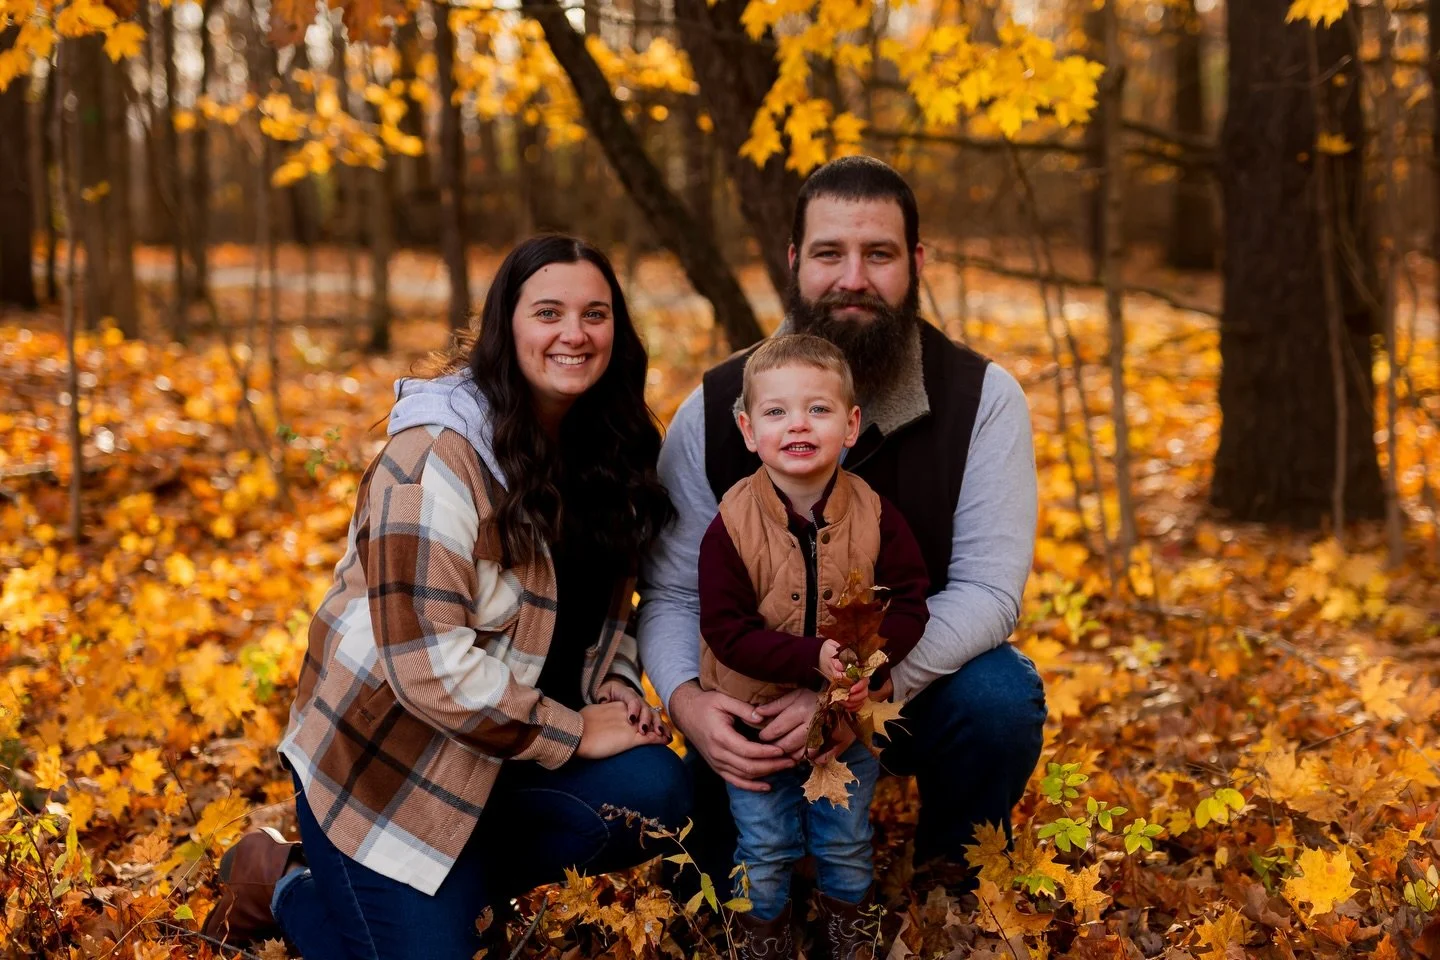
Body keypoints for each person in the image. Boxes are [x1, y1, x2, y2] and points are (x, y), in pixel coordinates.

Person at [205, 236, 691, 959]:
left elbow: (615, 604)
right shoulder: (434, 456)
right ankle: (282, 881)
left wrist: (615, 685)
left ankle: (453, 894)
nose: (574, 334)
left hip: (509, 756)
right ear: (507, 325)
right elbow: (427, 667)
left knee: (657, 791)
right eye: (549, 312)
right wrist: (578, 732)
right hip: (390, 776)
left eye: (595, 314)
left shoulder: (612, 444)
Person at [639, 156, 1046, 897]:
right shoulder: (716, 406)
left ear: (916, 263)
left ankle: (950, 872)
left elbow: (990, 592)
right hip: (754, 706)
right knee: (701, 884)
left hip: (908, 688)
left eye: (879, 254)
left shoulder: (983, 398)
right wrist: (689, 705)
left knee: (1000, 698)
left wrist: (843, 699)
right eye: (830, 253)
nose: (852, 277)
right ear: (794, 262)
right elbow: (668, 594)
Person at [697, 334, 930, 960]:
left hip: (845, 716)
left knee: (845, 839)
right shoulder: (730, 525)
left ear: (851, 425)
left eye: (818, 409)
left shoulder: (877, 514)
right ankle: (760, 937)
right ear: (748, 430)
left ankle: (848, 937)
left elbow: (910, 601)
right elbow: (724, 630)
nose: (797, 424)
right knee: (763, 844)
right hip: (759, 724)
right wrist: (806, 661)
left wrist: (870, 663)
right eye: (776, 412)